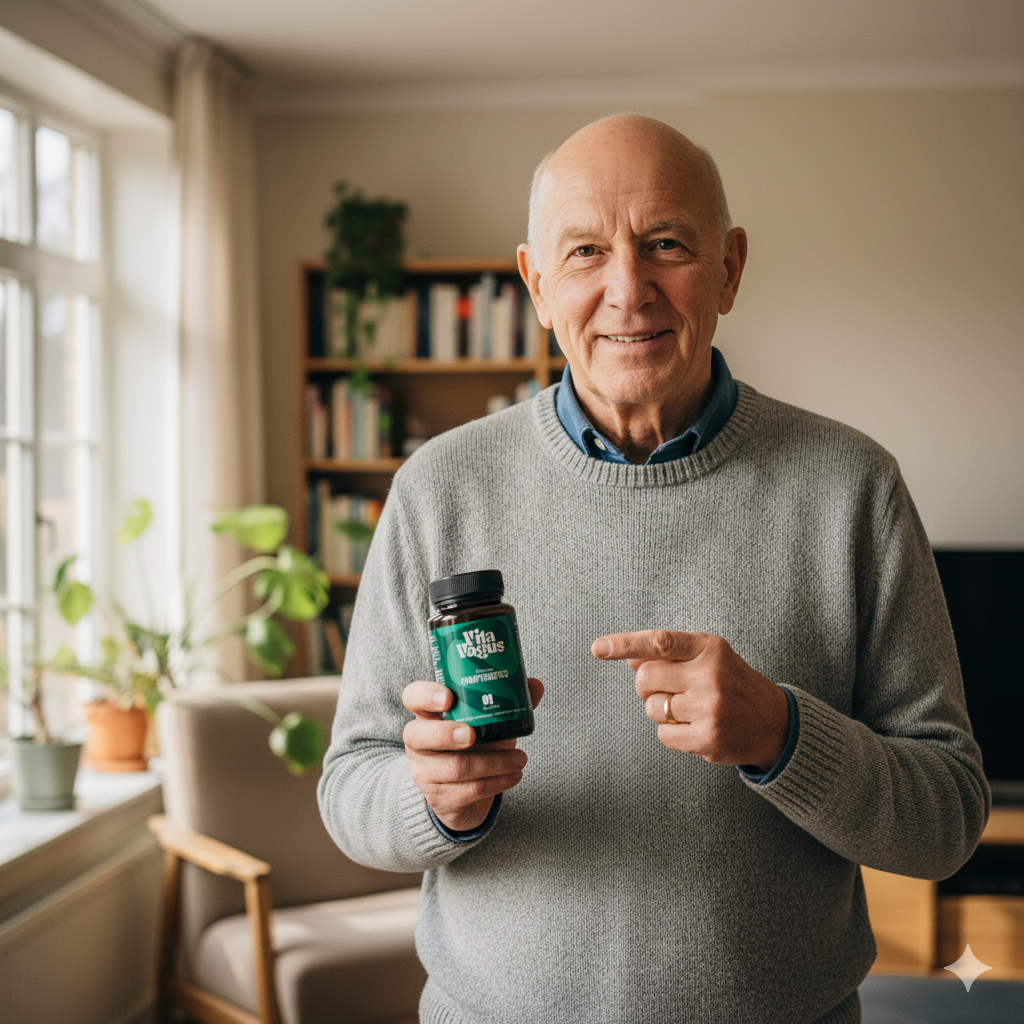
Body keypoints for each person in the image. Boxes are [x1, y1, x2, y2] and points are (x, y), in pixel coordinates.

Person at [318, 115, 989, 1024]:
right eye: (586, 251)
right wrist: (431, 800)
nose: (627, 290)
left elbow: (948, 818)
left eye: (666, 243)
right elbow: (349, 790)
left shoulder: (853, 487)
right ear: (536, 284)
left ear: (730, 268)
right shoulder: (438, 487)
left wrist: (784, 735)